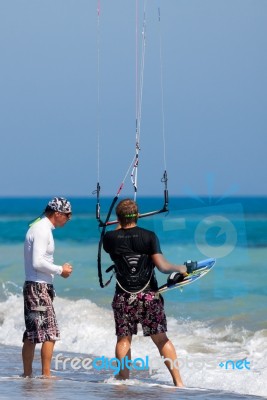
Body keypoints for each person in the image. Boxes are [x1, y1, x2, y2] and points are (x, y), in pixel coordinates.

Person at [103, 199, 196, 387]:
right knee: (161, 339)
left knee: (123, 339)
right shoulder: (149, 236)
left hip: (123, 296)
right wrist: (181, 268)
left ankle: (123, 379)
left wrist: (120, 224)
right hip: (149, 296)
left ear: (118, 218)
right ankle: (178, 382)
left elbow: (116, 237)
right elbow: (162, 267)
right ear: (137, 215)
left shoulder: (109, 238)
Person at [22, 197, 73, 378]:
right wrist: (61, 270)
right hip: (38, 289)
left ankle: (27, 375)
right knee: (50, 333)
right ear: (57, 213)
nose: (69, 218)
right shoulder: (42, 229)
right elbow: (37, 262)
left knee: (32, 333)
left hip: (34, 287)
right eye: (68, 215)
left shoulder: (40, 227)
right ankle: (46, 375)